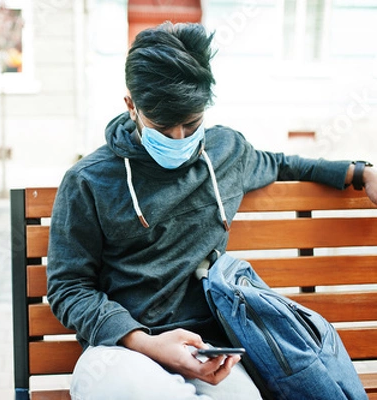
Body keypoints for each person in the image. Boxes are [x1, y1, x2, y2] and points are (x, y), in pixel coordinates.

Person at [46, 22, 377, 400]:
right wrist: (146, 343)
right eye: (162, 127)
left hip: (206, 351)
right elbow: (68, 287)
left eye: (191, 124)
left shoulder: (224, 153)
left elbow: (285, 164)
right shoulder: (89, 181)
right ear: (131, 106)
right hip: (119, 354)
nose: (180, 140)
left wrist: (360, 172)